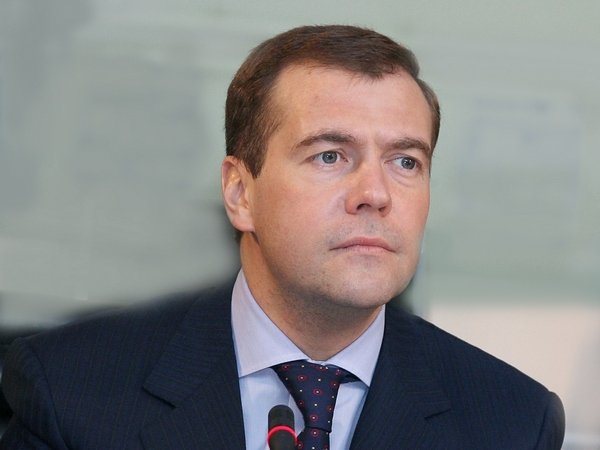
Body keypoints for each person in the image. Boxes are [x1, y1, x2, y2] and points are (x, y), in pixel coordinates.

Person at [0, 25, 565, 450]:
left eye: (405, 162)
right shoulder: (69, 391)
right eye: (330, 155)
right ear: (240, 192)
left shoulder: (513, 422)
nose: (376, 193)